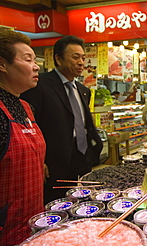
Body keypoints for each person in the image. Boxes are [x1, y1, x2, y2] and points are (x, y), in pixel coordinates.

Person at [21, 36, 103, 204]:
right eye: (75, 57)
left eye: (83, 57)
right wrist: (40, 160)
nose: (81, 62)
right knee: (57, 204)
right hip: (55, 160)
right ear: (58, 58)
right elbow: (30, 123)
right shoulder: (40, 84)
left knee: (84, 200)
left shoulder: (83, 90)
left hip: (83, 155)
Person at [0, 29, 45, 245]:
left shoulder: (26, 107)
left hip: (34, 221)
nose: (36, 66)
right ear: (2, 64)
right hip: (6, 229)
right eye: (28, 59)